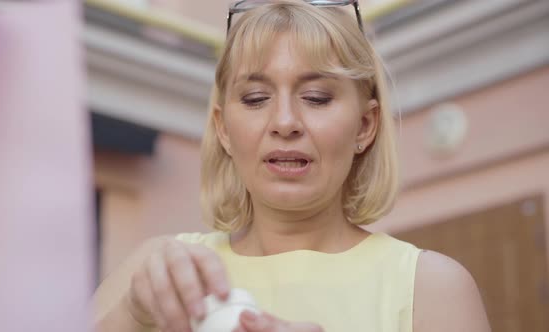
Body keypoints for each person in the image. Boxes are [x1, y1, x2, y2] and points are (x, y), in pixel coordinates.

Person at [93, 1, 491, 331]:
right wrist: (133, 317)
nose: (285, 122)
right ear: (224, 129)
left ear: (365, 126)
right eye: (254, 99)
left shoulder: (429, 288)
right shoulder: (157, 274)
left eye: (316, 98)